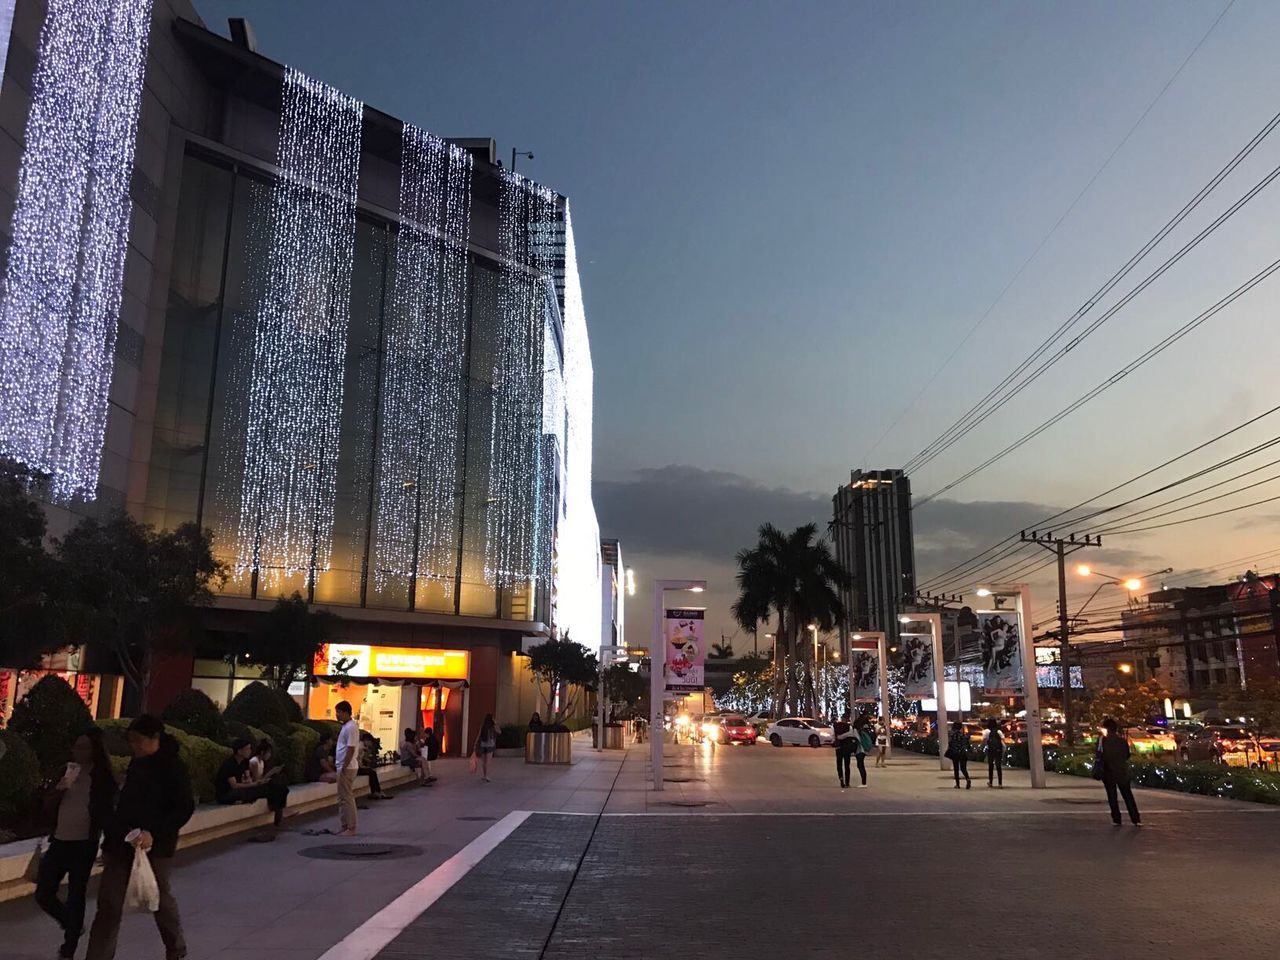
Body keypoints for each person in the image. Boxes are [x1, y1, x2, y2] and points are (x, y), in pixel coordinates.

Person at [85, 714, 194, 960]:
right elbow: (125, 805)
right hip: (123, 842)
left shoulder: (173, 767)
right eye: (131, 741)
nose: (134, 746)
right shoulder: (137, 764)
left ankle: (175, 948)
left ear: (154, 738)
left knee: (158, 898)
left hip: (156, 846)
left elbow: (183, 807)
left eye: (138, 741)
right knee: (109, 904)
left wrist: (154, 833)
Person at [36, 727, 116, 960]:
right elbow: (46, 806)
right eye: (76, 747)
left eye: (84, 747)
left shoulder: (101, 777)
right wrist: (58, 791)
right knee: (44, 891)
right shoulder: (67, 771)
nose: (78, 751)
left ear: (95, 750)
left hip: (83, 843)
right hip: (60, 839)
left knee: (76, 893)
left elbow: (106, 811)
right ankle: (70, 923)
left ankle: (69, 946)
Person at [215, 739, 289, 832]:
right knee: (259, 790)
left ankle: (278, 816)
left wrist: (256, 782)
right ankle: (276, 813)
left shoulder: (245, 762)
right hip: (227, 793)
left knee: (278, 787)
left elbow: (248, 779)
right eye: (247, 749)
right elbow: (234, 786)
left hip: (242, 789)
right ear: (239, 751)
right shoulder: (229, 764)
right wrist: (255, 784)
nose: (250, 751)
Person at [1098, 718, 1142, 826]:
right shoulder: (1122, 741)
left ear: (1107, 729)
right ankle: (1135, 819)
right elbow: (1127, 755)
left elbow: (1099, 755)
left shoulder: (1102, 741)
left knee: (1112, 796)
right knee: (1128, 795)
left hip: (1108, 772)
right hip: (1122, 771)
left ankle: (1116, 819)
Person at [334, 701, 360, 836]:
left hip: (347, 767)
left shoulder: (350, 727)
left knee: (347, 797)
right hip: (343, 766)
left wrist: (344, 765)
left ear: (345, 712)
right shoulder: (347, 727)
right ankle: (345, 825)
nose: (336, 715)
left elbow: (350, 748)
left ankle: (351, 827)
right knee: (342, 797)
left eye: (338, 712)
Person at [357, 732, 392, 800]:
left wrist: (367, 760)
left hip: (357, 767)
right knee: (372, 772)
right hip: (356, 768)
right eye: (370, 742)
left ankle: (376, 791)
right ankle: (376, 791)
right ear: (367, 741)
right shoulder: (360, 747)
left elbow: (360, 758)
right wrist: (361, 766)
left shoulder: (362, 747)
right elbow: (356, 759)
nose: (370, 744)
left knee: (372, 772)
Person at [474, 714, 500, 782]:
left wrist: (475, 743)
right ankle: (487, 776)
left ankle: (484, 775)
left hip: (483, 745)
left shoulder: (483, 726)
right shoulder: (493, 726)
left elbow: (479, 735)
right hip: (490, 745)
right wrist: (496, 723)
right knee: (488, 761)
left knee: (483, 761)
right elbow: (499, 732)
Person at [833, 712, 855, 789]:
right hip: (847, 748)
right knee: (847, 765)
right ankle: (847, 782)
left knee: (839, 765)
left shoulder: (835, 727)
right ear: (847, 719)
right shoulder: (849, 727)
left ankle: (841, 780)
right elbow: (851, 735)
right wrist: (843, 736)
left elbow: (834, 737)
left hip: (838, 748)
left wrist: (839, 737)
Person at [948, 721, 971, 789]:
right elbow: (967, 744)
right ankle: (967, 779)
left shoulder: (953, 735)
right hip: (963, 753)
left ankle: (958, 784)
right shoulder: (963, 735)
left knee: (956, 769)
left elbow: (950, 744)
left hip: (955, 753)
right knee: (963, 768)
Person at [851, 716, 871, 787]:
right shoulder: (862, 730)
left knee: (860, 765)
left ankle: (864, 783)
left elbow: (857, 740)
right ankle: (864, 782)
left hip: (859, 750)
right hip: (863, 750)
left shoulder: (856, 731)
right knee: (861, 765)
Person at [986, 719, 1005, 788]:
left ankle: (990, 782)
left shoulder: (987, 732)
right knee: (998, 767)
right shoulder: (999, 732)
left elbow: (985, 741)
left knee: (991, 766)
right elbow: (1003, 741)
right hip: (998, 750)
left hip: (991, 751)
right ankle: (1000, 784)